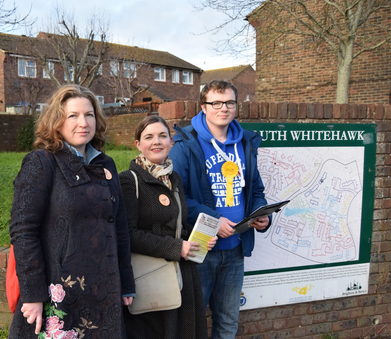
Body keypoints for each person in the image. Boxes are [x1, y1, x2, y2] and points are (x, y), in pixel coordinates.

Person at [8, 85, 135, 339]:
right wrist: (33, 294)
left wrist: (126, 284)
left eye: (89, 115)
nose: (83, 123)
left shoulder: (105, 163)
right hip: (58, 292)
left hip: (103, 290)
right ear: (57, 121)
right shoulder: (42, 162)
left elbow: (118, 227)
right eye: (73, 116)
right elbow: (23, 231)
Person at [169, 80, 271, 339]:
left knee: (228, 323)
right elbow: (178, 195)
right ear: (204, 107)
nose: (223, 108)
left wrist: (262, 215)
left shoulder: (245, 143)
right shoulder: (185, 144)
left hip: (236, 250)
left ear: (236, 106)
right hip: (202, 249)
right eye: (216, 102)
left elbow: (255, 191)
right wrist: (215, 219)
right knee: (192, 324)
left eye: (229, 102)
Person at [119, 115, 216, 339]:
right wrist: (176, 247)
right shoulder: (128, 180)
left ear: (171, 142)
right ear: (138, 144)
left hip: (182, 275)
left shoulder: (175, 179)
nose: (157, 142)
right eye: (149, 137)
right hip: (150, 278)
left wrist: (197, 241)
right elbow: (127, 235)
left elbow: (178, 227)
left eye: (162, 136)